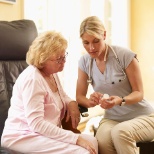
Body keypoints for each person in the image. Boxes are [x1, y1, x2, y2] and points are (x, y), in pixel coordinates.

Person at [1, 31, 98, 154]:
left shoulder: (51, 74)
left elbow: (62, 95)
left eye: (64, 56)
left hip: (42, 134)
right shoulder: (33, 79)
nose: (64, 61)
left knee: (92, 142)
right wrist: (75, 138)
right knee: (82, 151)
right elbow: (37, 124)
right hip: (23, 136)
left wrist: (72, 102)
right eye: (59, 59)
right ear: (43, 59)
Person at [76, 16, 154, 154]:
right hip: (112, 119)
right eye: (86, 43)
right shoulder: (84, 62)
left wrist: (121, 100)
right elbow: (79, 96)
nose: (91, 47)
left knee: (120, 132)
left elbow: (139, 93)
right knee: (101, 141)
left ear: (104, 35)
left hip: (143, 116)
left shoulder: (124, 56)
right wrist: (91, 101)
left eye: (96, 41)